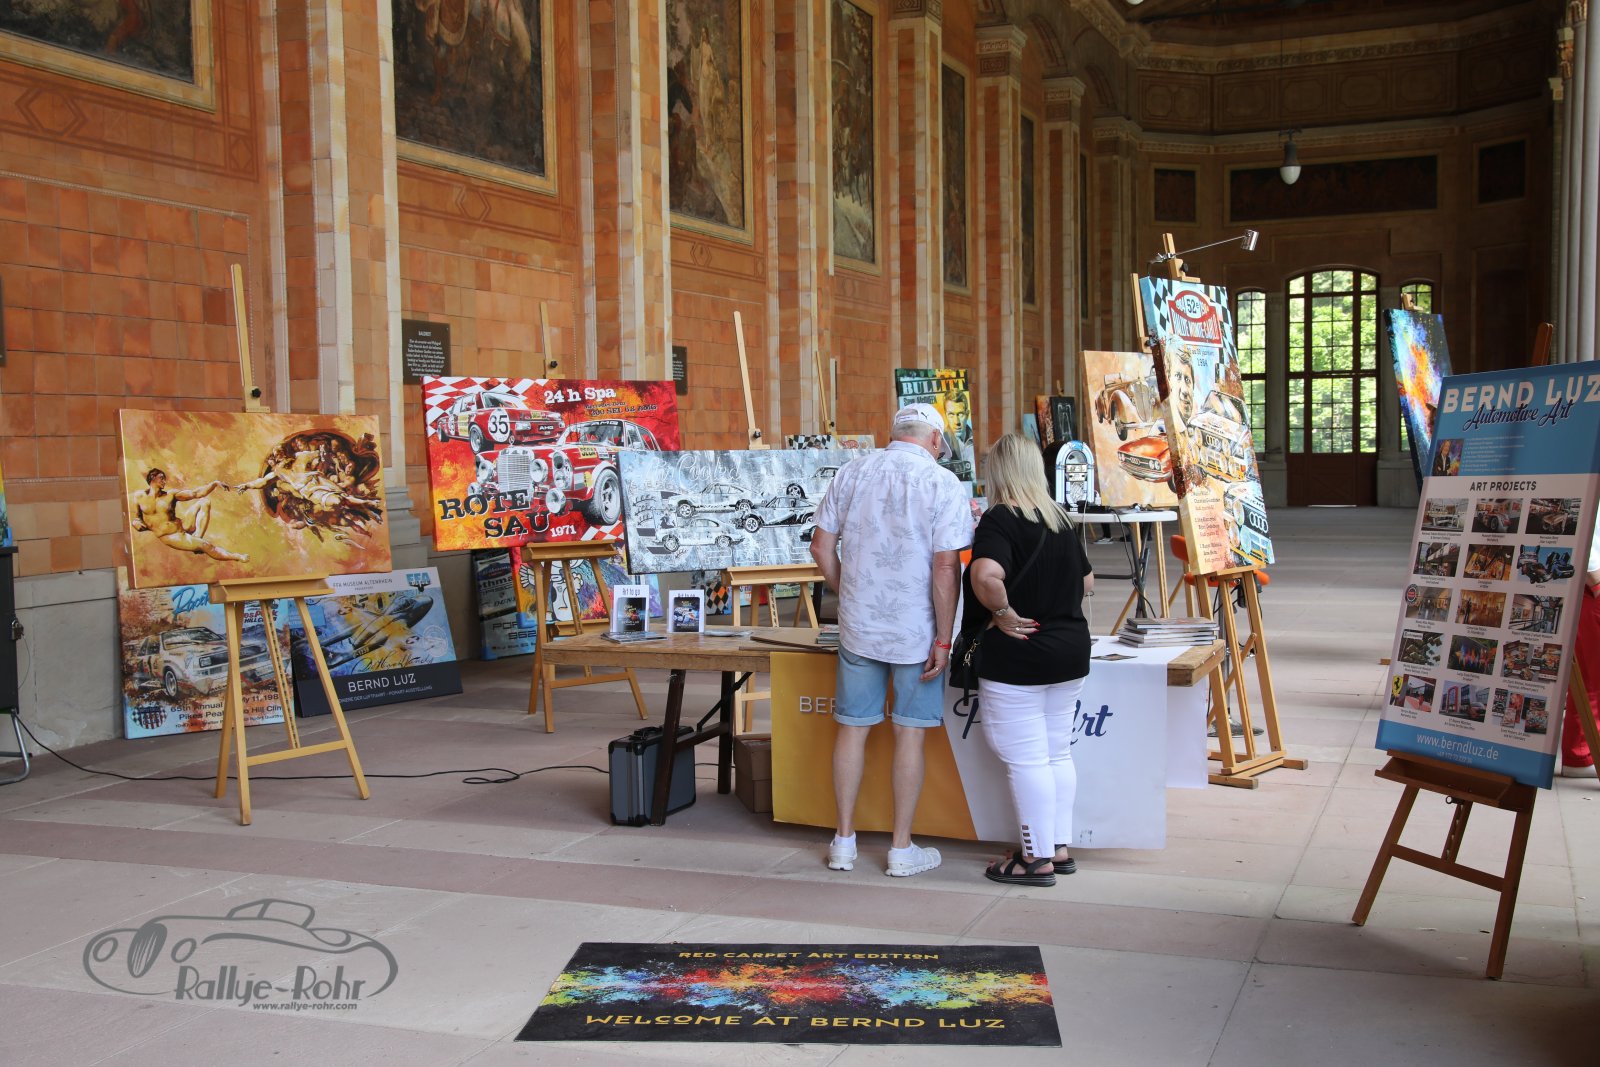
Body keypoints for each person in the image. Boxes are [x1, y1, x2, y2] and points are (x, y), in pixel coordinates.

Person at [809, 403, 972, 877]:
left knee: (852, 729)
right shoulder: (943, 483)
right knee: (909, 735)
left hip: (859, 626)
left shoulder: (852, 472)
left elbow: (820, 546)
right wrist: (944, 638)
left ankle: (843, 843)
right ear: (936, 440)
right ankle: (901, 849)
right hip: (917, 632)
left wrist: (848, 590)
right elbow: (947, 567)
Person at [961, 433, 1094, 886]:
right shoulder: (1059, 518)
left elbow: (986, 574)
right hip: (1070, 651)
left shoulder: (1001, 519)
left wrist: (1002, 612)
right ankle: (1056, 847)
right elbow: (1088, 582)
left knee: (1027, 759)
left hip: (1021, 657)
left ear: (999, 471)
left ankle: (1034, 860)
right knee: (1057, 752)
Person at [130, 469, 248, 563]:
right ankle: (237, 557)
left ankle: (198, 537)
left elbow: (196, 493)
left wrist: (214, 484)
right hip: (172, 536)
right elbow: (137, 518)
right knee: (206, 546)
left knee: (204, 502)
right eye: (161, 478)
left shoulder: (171, 495)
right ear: (152, 478)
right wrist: (135, 523)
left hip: (183, 525)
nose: (164, 482)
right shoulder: (139, 496)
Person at [1560, 508, 1600, 777]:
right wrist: (1595, 581)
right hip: (1591, 586)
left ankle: (1581, 753)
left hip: (1590, 584)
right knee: (1592, 678)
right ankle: (1580, 753)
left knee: (1590, 678)